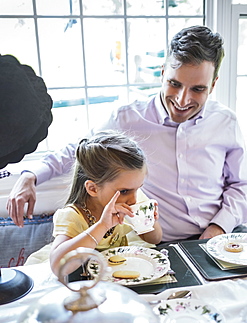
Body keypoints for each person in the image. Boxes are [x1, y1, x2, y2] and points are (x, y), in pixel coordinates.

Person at [7, 25, 247, 242]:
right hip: (157, 243)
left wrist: (218, 228)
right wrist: (31, 176)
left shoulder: (226, 122)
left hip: (220, 238)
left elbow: (240, 186)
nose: (183, 100)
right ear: (163, 73)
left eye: (198, 89)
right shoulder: (127, 118)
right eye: (175, 84)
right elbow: (80, 150)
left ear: (213, 85)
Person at [49, 131, 162, 276]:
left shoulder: (133, 199)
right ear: (93, 188)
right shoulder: (73, 216)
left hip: (118, 277)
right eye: (124, 191)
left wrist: (148, 222)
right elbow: (59, 267)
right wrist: (103, 225)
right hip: (86, 284)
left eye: (138, 188)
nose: (134, 199)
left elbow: (156, 239)